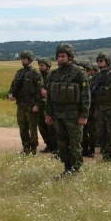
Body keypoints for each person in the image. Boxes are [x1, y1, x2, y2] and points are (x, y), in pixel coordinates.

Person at [44, 43, 90, 177]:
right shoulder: (54, 74)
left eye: (63, 56)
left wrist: (84, 115)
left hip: (74, 116)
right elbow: (50, 97)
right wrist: (48, 114)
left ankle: (75, 171)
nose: (60, 59)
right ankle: (67, 168)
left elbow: (86, 96)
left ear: (70, 56)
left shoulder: (79, 73)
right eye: (58, 56)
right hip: (58, 115)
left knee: (75, 144)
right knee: (62, 144)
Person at [89, 53, 111, 162]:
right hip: (99, 109)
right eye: (98, 60)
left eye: (101, 60)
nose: (99, 62)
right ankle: (104, 155)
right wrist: (94, 110)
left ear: (107, 62)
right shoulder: (96, 77)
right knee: (100, 134)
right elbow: (92, 95)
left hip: (110, 109)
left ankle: (110, 155)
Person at [8, 50, 43, 155]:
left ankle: (33, 149)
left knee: (32, 128)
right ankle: (26, 148)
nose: (23, 60)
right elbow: (13, 86)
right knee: (22, 127)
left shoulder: (36, 74)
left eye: (25, 58)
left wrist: (37, 105)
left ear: (30, 60)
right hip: (20, 104)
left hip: (31, 105)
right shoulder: (19, 72)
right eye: (22, 58)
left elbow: (40, 91)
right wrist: (10, 94)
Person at [36, 57, 57, 154]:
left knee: (52, 127)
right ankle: (48, 144)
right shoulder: (38, 76)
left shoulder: (52, 76)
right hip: (40, 105)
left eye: (42, 65)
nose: (40, 67)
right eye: (39, 65)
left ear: (48, 66)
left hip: (50, 106)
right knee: (42, 126)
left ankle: (56, 146)